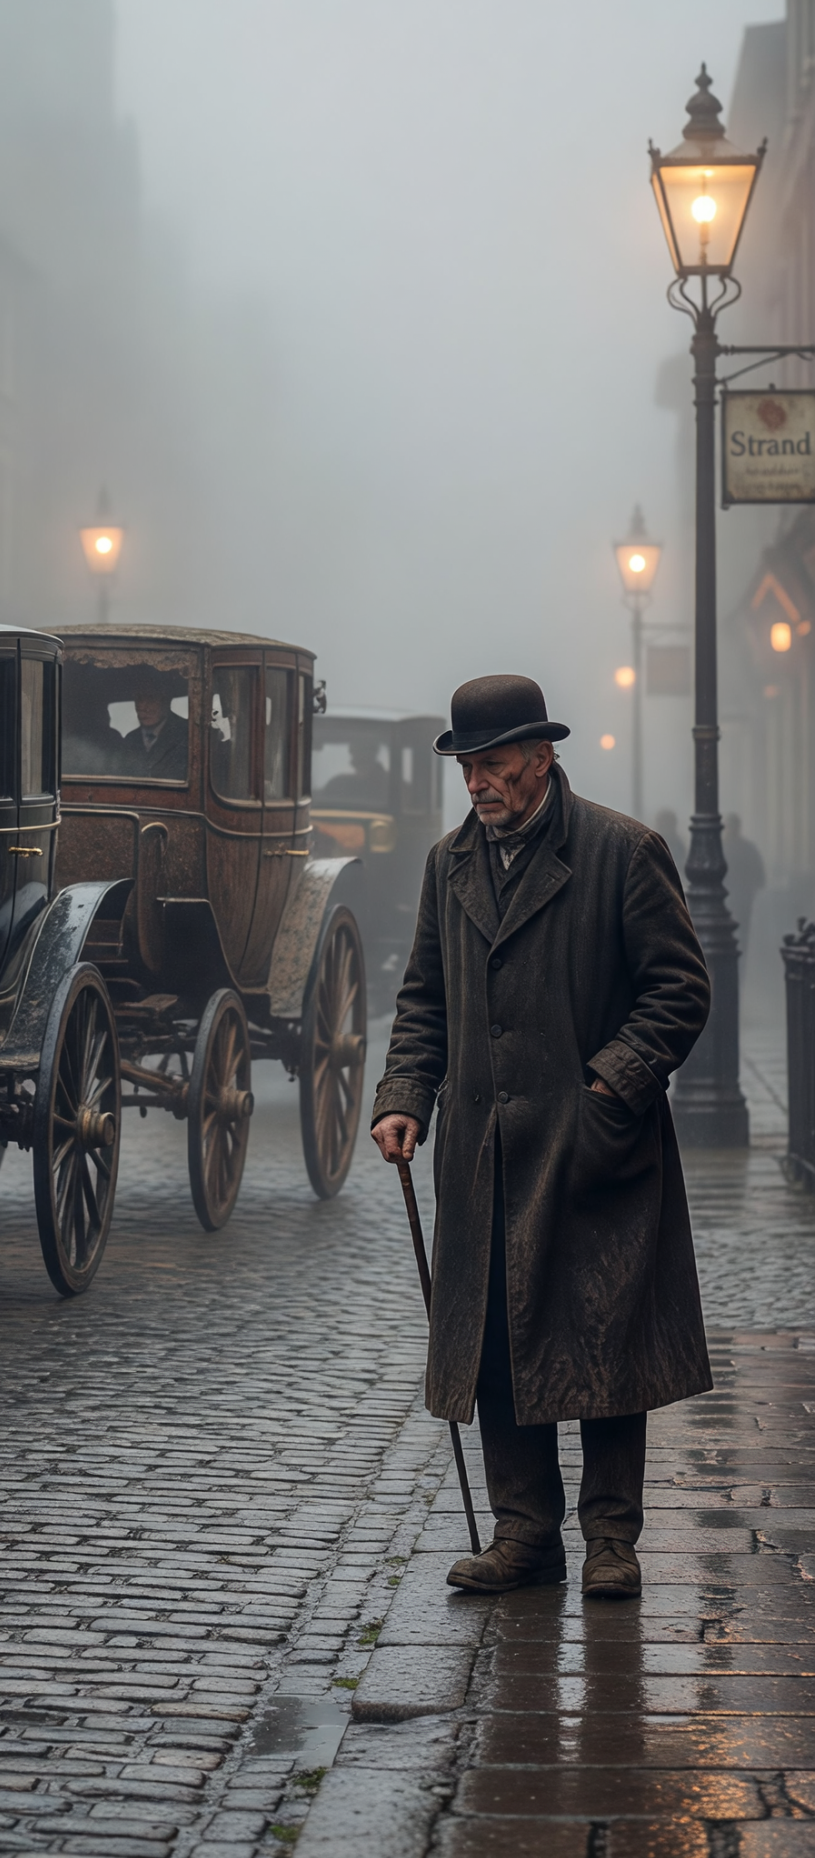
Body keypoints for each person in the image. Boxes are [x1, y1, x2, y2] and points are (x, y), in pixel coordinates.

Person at [370, 673, 711, 1602]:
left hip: (594, 1145)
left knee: (606, 1342)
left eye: (493, 764)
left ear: (542, 756)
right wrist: (406, 1095)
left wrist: (610, 1086)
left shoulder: (622, 852)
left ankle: (610, 1541)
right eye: (467, 767)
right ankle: (524, 1534)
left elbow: (679, 990)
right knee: (495, 1343)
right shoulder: (448, 864)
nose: (478, 783)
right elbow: (424, 1000)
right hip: (485, 1150)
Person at [119, 677, 189, 780]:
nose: (143, 706)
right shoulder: (130, 739)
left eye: (151, 698)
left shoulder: (188, 733)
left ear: (166, 701)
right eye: (139, 698)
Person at [724, 815, 766, 966]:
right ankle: (738, 967)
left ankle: (733, 967)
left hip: (728, 899)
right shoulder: (747, 848)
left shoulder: (719, 847)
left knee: (732, 935)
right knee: (741, 935)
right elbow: (760, 878)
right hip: (739, 898)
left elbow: (759, 877)